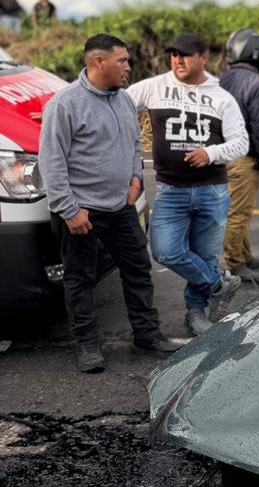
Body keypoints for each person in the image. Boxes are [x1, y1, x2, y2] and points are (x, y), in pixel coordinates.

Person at [38, 34, 179, 373]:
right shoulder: (65, 105)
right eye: (123, 61)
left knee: (137, 270)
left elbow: (133, 141)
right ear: (98, 62)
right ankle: (87, 345)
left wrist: (134, 178)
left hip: (120, 207)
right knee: (80, 278)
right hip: (82, 212)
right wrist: (68, 209)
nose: (129, 67)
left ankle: (147, 334)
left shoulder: (124, 100)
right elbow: (51, 161)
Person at [126, 33, 248, 336]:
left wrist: (211, 152)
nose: (178, 60)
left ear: (203, 58)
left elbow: (241, 143)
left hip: (212, 191)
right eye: (174, 54)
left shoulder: (222, 98)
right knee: (165, 251)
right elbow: (117, 104)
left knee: (205, 255)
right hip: (170, 189)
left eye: (186, 55)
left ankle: (195, 313)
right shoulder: (154, 87)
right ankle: (219, 284)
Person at [219, 27, 259, 280]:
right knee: (239, 212)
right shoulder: (257, 83)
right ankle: (235, 263)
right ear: (258, 53)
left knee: (238, 209)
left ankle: (244, 255)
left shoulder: (222, 79)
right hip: (243, 157)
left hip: (222, 154)